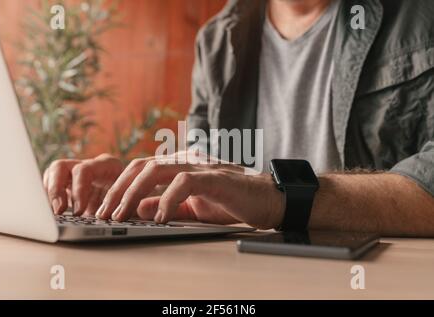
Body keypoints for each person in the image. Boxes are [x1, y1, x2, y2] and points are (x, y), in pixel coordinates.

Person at [43, 0, 434, 236]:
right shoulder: (216, 40)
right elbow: (204, 176)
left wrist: (278, 197)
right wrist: (135, 187)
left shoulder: (420, 21)